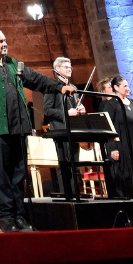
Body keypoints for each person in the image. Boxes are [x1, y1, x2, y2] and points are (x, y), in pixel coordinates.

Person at [0, 28, 73, 232]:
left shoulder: (14, 64)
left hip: (19, 128)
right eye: (0, 41)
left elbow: (38, 80)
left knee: (19, 175)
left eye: (5, 40)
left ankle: (20, 217)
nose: (5, 44)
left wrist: (59, 87)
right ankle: (7, 219)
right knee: (1, 176)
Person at [42, 57, 86, 199]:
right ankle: (68, 196)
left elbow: (74, 107)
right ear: (57, 69)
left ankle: (76, 194)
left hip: (74, 130)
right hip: (60, 130)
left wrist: (80, 110)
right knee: (65, 165)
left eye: (70, 66)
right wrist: (66, 113)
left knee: (76, 166)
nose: (69, 69)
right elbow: (47, 110)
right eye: (66, 66)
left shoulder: (73, 88)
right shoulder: (52, 86)